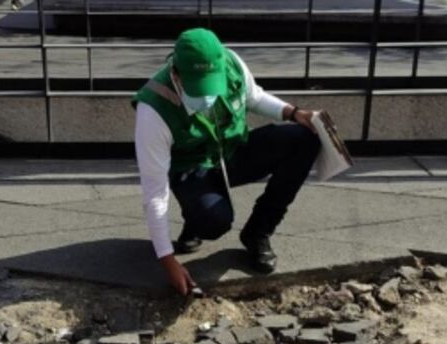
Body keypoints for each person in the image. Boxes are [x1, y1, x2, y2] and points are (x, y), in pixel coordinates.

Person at [133, 28, 322, 296]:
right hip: (191, 167)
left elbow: (253, 97)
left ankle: (257, 233)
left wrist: (293, 113)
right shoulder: (153, 109)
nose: (207, 95)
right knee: (215, 222)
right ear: (175, 74)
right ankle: (196, 218)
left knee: (305, 139)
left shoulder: (231, 62)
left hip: (231, 151)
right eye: (198, 87)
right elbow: (155, 193)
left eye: (211, 84)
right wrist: (167, 261)